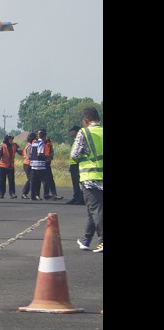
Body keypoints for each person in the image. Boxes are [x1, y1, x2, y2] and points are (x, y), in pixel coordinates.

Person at [71, 106, 103, 253]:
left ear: (85, 121)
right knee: (93, 209)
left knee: (96, 209)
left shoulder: (83, 132)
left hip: (91, 177)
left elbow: (75, 155)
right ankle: (86, 239)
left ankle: (102, 240)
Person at [27, 130, 50, 200]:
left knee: (33, 181)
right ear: (44, 136)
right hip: (40, 165)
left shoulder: (34, 143)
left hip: (33, 164)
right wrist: (47, 156)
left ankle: (32, 196)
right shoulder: (41, 143)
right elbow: (40, 154)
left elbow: (31, 153)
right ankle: (46, 195)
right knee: (45, 180)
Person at [0, 133, 19, 199]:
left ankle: (12, 193)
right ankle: (1, 194)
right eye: (10, 139)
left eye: (12, 139)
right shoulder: (2, 146)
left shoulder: (14, 145)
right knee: (2, 180)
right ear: (6, 140)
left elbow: (21, 151)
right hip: (2, 166)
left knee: (11, 180)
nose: (11, 140)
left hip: (10, 166)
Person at [65, 125, 85, 205]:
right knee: (75, 182)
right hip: (73, 164)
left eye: (72, 131)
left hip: (77, 164)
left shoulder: (79, 141)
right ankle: (76, 196)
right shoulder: (75, 141)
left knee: (78, 182)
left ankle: (80, 198)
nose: (71, 132)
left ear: (77, 132)